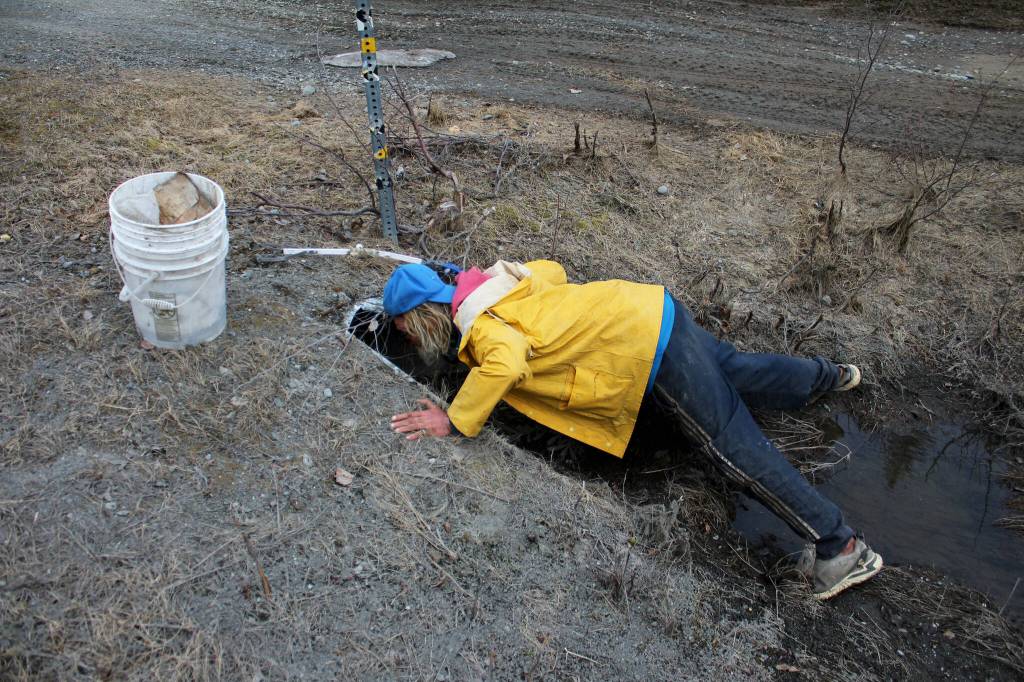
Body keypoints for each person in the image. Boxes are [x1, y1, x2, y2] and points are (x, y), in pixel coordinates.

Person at [385, 259, 882, 600]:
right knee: (735, 369)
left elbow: (506, 362)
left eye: (406, 329)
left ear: (423, 317)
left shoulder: (481, 324)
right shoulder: (496, 284)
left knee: (730, 446)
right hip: (652, 308)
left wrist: (453, 419)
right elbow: (552, 272)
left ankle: (841, 547)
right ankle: (828, 376)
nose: (409, 339)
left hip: (647, 350)